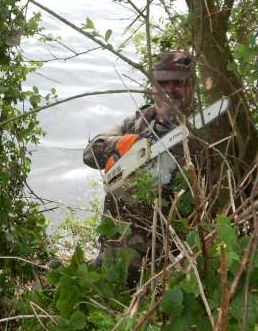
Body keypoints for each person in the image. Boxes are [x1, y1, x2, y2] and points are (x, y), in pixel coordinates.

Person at [83, 51, 207, 283]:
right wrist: (123, 145)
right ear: (152, 88)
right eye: (163, 83)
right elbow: (90, 154)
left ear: (190, 86)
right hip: (116, 249)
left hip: (168, 260)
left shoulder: (204, 132)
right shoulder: (136, 123)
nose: (170, 90)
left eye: (178, 83)